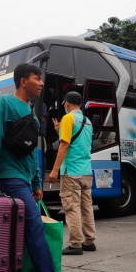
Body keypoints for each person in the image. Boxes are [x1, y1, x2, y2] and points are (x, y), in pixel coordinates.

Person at [0, 63, 75, 272]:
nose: (42, 83)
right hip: (8, 175)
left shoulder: (32, 113)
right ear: (23, 81)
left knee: (10, 228)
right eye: (38, 78)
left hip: (24, 177)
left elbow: (33, 152)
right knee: (33, 222)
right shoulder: (3, 104)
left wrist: (37, 183)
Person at [48, 91, 96, 256]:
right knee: (86, 206)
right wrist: (58, 131)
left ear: (67, 103)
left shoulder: (68, 118)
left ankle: (76, 244)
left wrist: (54, 169)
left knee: (71, 207)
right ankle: (89, 241)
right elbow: (78, 143)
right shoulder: (87, 121)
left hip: (72, 171)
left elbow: (64, 146)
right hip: (86, 171)